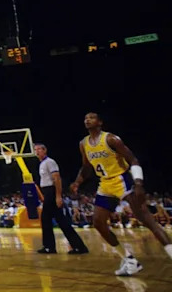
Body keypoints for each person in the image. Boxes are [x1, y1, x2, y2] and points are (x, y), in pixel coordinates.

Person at [69, 112, 172, 276]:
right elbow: (87, 166)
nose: (87, 120)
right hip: (105, 183)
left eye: (92, 117)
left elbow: (133, 160)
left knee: (147, 220)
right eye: (85, 118)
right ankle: (130, 261)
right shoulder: (84, 144)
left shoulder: (111, 139)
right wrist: (77, 182)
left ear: (100, 122)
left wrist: (138, 183)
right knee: (98, 222)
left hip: (122, 180)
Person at [34, 142, 88, 255]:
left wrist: (58, 196)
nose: (37, 151)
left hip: (52, 192)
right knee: (59, 220)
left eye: (39, 149)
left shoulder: (50, 162)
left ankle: (50, 247)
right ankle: (78, 246)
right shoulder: (42, 164)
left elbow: (57, 179)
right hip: (47, 192)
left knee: (47, 219)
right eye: (35, 150)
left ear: (45, 150)